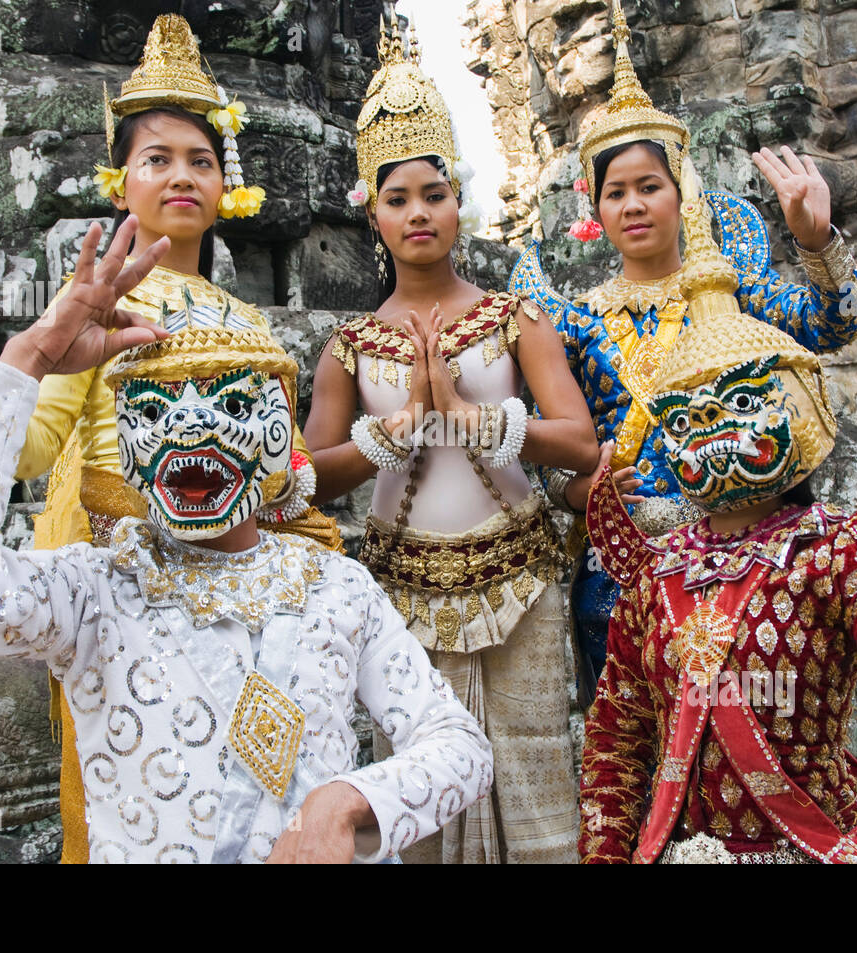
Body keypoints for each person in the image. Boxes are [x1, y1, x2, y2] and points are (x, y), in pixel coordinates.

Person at [0, 216, 493, 863]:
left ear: (279, 439)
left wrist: (345, 804)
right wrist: (27, 358)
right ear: (128, 448)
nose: (190, 429)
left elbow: (458, 742)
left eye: (229, 407)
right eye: (153, 412)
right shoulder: (93, 591)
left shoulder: (336, 585)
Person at [0, 14, 339, 863]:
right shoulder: (97, 308)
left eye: (201, 160)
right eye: (157, 159)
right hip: (125, 580)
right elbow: (41, 446)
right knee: (132, 785)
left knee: (250, 784)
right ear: (121, 182)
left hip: (240, 574)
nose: (182, 175)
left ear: (231, 185)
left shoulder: (246, 322)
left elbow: (282, 465)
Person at [577, 194, 857, 863]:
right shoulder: (655, 578)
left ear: (797, 408)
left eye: (741, 404)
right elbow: (614, 747)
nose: (713, 435)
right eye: (687, 420)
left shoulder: (839, 556)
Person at [303, 20, 601, 864]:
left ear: (457, 199)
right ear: (373, 215)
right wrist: (393, 433)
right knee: (420, 789)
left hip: (522, 581)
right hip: (402, 594)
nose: (418, 213)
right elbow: (308, 479)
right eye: (396, 199)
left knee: (538, 773)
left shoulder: (514, 317)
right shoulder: (350, 344)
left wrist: (472, 418)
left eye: (433, 194)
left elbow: (580, 445)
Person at [509, 0, 857, 690]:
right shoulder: (574, 323)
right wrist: (581, 488)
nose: (634, 205)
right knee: (637, 763)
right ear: (597, 212)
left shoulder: (732, 291)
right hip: (625, 569)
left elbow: (834, 326)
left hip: (747, 553)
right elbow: (558, 459)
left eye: (651, 186)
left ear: (683, 193)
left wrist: (817, 241)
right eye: (616, 193)